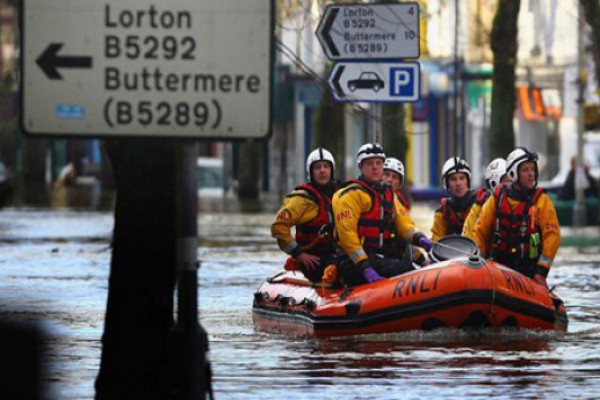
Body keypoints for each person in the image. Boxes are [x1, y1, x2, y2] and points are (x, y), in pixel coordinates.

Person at [332, 143, 433, 286]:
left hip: (380, 258)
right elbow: (347, 235)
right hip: (354, 262)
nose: (375, 167)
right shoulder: (349, 195)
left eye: (378, 163)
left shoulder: (389, 194)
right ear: (361, 167)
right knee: (404, 269)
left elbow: (404, 223)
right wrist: (365, 266)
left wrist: (420, 238)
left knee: (407, 267)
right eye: (369, 163)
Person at [471, 147, 560, 288]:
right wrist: (477, 263)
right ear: (513, 173)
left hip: (529, 272)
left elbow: (552, 236)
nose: (531, 174)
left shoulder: (542, 201)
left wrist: (541, 272)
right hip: (498, 268)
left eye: (533, 169)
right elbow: (479, 231)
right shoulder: (497, 199)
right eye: (525, 170)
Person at [271, 147, 338, 282]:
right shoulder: (301, 199)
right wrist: (298, 254)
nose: (322, 171)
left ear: (332, 170)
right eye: (317, 167)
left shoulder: (340, 195)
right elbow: (278, 226)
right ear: (311, 172)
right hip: (313, 258)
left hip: (336, 253)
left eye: (326, 166)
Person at [383, 157, 428, 267]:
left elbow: (404, 232)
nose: (389, 180)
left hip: (392, 255)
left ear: (399, 184)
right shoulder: (371, 198)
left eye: (394, 177)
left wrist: (422, 259)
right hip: (375, 256)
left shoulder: (398, 203)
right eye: (386, 175)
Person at [431, 157, 482, 241]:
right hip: (450, 253)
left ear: (468, 181)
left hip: (476, 253)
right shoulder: (442, 213)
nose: (458, 183)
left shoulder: (481, 204)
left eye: (462, 178)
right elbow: (437, 242)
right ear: (447, 184)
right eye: (453, 179)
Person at [463, 158, 512, 238]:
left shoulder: (520, 201)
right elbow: (467, 236)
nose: (512, 185)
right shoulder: (481, 205)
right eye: (507, 181)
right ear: (494, 183)